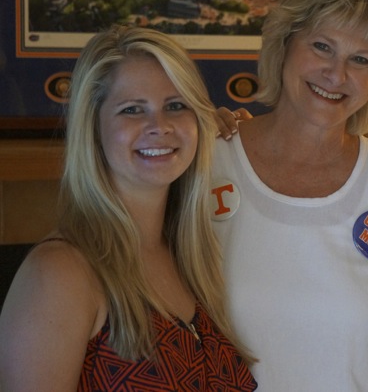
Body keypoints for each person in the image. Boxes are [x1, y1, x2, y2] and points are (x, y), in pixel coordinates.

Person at [209, 0, 368, 391]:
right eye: (321, 47)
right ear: (285, 42)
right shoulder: (204, 163)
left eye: (360, 59)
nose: (336, 75)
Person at [0, 25, 257, 392]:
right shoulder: (60, 273)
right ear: (94, 127)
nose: (160, 126)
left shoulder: (194, 260)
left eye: (176, 105)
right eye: (132, 109)